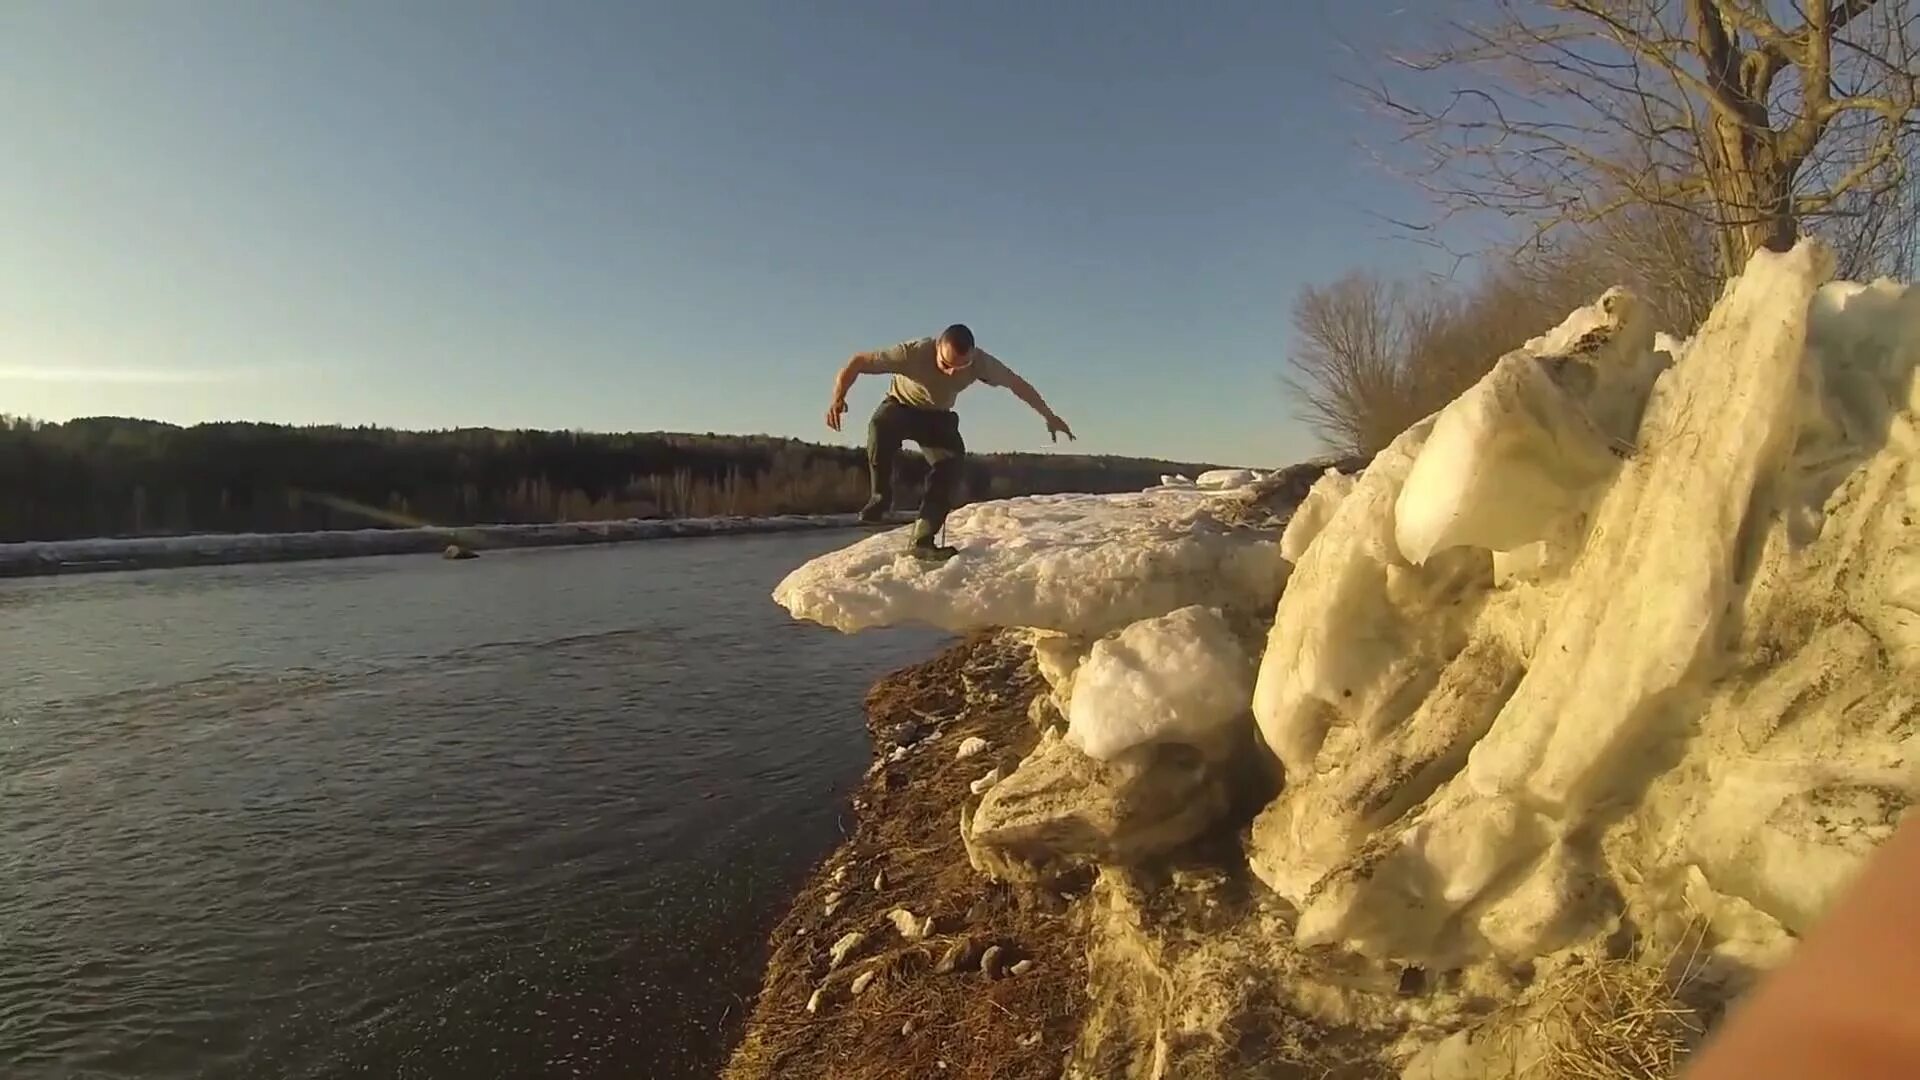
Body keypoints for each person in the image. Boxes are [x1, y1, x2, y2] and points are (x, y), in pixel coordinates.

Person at [826, 323, 1073, 561]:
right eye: (945, 364)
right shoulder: (912, 353)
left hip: (938, 419)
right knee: (880, 427)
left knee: (952, 465)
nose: (952, 372)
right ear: (937, 348)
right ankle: (880, 499)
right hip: (901, 407)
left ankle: (923, 539)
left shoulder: (981, 363)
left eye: (960, 367)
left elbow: (1017, 384)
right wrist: (838, 397)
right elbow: (858, 361)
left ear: (972, 356)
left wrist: (1049, 415)